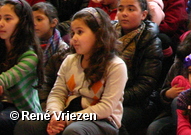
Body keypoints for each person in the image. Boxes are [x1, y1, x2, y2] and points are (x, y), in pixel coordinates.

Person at [16, 7, 127, 135]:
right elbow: (57, 93)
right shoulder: (70, 60)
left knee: (74, 131)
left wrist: (68, 119)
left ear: (99, 34)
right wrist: (55, 115)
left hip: (102, 120)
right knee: (26, 123)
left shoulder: (116, 66)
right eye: (73, 33)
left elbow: (106, 108)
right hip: (66, 113)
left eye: (80, 32)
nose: (73, 38)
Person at [114, 0, 163, 133]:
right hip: (103, 96)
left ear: (143, 14)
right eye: (120, 9)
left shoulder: (151, 42)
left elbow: (145, 85)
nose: (124, 13)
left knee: (112, 121)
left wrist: (114, 98)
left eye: (131, 9)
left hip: (137, 103)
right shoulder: (107, 34)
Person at [0, 0, 42, 134]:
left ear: (22, 23)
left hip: (23, 110)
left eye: (8, 19)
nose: (1, 23)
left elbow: (4, 80)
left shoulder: (30, 56)